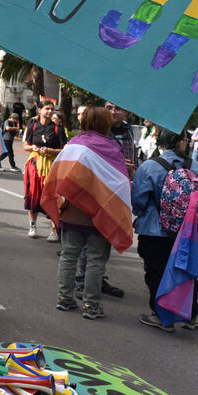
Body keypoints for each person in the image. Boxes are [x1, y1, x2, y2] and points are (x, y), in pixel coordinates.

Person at [45, 106, 130, 320]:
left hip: (73, 211)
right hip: (101, 211)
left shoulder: (74, 145)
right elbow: (118, 182)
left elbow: (59, 173)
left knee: (69, 255)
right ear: (105, 124)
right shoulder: (112, 147)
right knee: (96, 259)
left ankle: (64, 298)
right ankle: (91, 305)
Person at [131, 129, 198, 332]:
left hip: (154, 229)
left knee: (156, 271)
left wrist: (142, 213)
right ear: (182, 143)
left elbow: (138, 199)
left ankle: (161, 316)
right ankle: (190, 315)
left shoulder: (149, 166)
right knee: (186, 270)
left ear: (160, 142)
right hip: (187, 232)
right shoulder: (196, 168)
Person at [23, 100, 66, 240]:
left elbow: (64, 149)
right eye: (47, 108)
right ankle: (32, 226)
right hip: (34, 165)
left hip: (52, 165)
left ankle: (54, 229)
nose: (49, 111)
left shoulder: (58, 129)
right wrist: (34, 148)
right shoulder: (33, 126)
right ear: (39, 110)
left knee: (52, 197)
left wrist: (51, 151)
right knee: (33, 195)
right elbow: (26, 146)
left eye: (52, 109)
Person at [105, 102, 138, 179]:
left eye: (118, 109)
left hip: (127, 181)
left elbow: (133, 155)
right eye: (109, 108)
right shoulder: (98, 131)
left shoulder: (129, 130)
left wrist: (134, 172)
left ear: (125, 112)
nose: (113, 112)